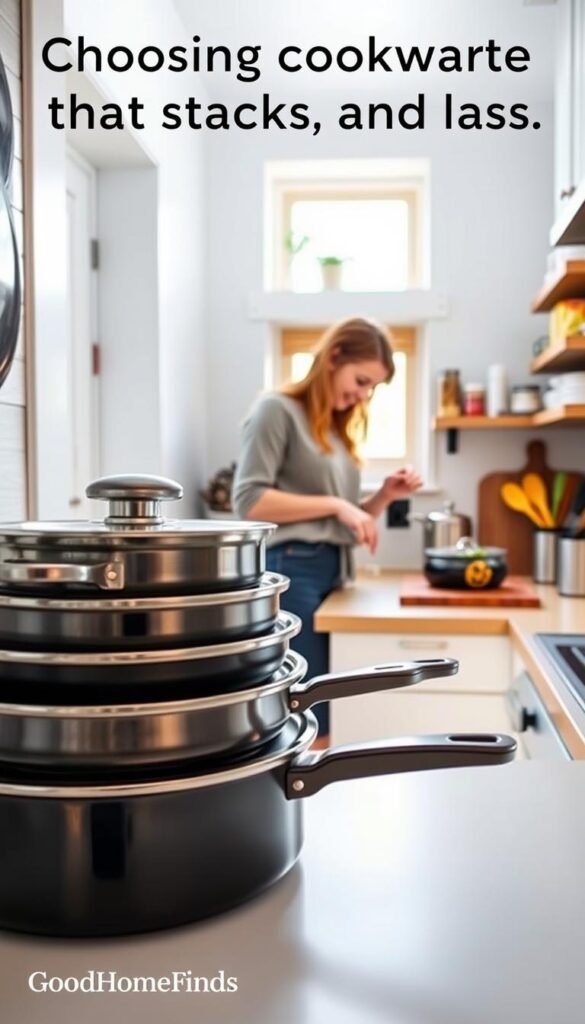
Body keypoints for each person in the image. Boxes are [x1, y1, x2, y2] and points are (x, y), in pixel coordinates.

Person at [232, 317, 422, 746]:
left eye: (372, 387)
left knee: (326, 709)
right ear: (333, 357)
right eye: (361, 379)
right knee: (307, 711)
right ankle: (305, 808)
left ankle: (318, 807)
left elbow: (338, 522)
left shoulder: (335, 429)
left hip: (331, 570)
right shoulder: (276, 410)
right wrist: (338, 505)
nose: (363, 393)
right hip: (292, 567)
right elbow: (249, 501)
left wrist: (382, 499)